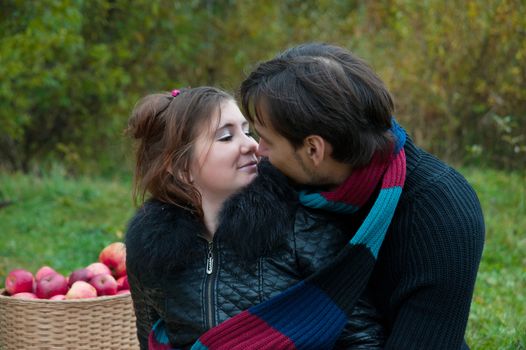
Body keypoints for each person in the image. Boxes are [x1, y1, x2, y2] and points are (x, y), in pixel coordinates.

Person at [222, 43, 483, 349]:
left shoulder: (440, 213)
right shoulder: (284, 183)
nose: (258, 150)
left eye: (266, 140)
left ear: (314, 149)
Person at [124, 86, 385, 350]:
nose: (252, 145)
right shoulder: (150, 251)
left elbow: (361, 338)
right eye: (226, 137)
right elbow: (151, 340)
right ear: (180, 167)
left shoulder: (300, 226)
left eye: (248, 131)